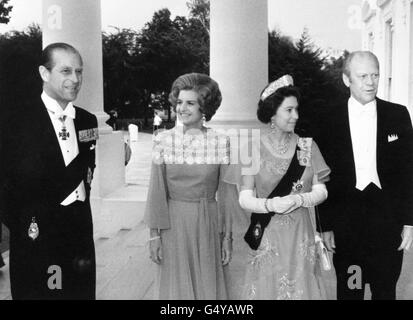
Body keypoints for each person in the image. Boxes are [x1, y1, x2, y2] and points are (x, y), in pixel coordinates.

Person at [0, 42, 98, 299]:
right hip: (38, 232)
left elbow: (87, 171)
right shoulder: (15, 120)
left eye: (79, 72)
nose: (75, 79)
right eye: (66, 71)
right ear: (44, 73)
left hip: (79, 230)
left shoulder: (88, 120)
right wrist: (26, 223)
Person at [317, 51, 413, 300]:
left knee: (385, 291)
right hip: (347, 224)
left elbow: (408, 170)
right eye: (363, 76)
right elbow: (321, 177)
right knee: (351, 289)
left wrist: (409, 221)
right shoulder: (328, 119)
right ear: (346, 80)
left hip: (387, 221)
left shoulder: (398, 114)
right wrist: (324, 225)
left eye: (375, 75)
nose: (371, 82)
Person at [225, 75, 331, 300]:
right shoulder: (251, 147)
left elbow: (321, 190)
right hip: (267, 233)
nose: (296, 116)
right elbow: (244, 198)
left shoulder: (306, 146)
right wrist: (271, 203)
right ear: (273, 113)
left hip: (300, 234)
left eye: (297, 109)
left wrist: (299, 200)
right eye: (289, 110)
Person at [144, 73, 232, 299]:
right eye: (179, 102)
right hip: (173, 224)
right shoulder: (162, 140)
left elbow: (226, 194)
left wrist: (227, 237)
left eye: (190, 103)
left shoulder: (221, 142)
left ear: (205, 107)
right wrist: (154, 235)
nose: (182, 108)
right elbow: (156, 192)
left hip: (208, 222)